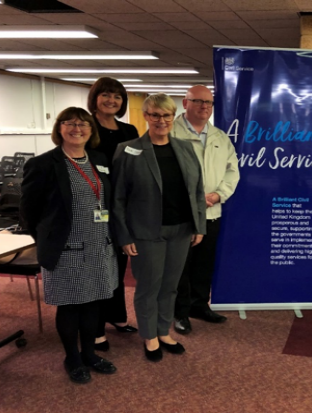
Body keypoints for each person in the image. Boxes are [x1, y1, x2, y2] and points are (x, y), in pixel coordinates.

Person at [21, 107, 118, 384]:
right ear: (59, 128)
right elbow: (28, 211)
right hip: (67, 249)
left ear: (91, 130)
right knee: (70, 305)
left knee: (93, 304)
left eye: (84, 124)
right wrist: (48, 240)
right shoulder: (43, 164)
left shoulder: (99, 159)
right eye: (70, 123)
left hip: (100, 245)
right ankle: (72, 357)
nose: (78, 128)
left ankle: (89, 354)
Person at [111, 93, 206, 362]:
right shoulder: (129, 149)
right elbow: (118, 197)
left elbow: (196, 190)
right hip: (146, 232)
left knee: (170, 286)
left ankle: (163, 331)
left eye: (166, 115)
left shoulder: (185, 148)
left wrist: (198, 225)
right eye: (155, 115)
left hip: (181, 229)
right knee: (148, 287)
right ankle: (149, 335)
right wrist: (123, 234)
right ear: (146, 116)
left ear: (172, 117)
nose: (161, 120)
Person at [172, 85, 240, 334]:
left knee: (204, 264)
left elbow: (233, 171)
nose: (204, 107)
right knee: (181, 267)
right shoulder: (169, 133)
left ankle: (199, 305)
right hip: (180, 215)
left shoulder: (220, 137)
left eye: (209, 103)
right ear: (185, 103)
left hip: (211, 211)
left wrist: (217, 195)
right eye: (198, 101)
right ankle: (179, 312)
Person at [88, 77, 140, 351]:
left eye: (117, 96)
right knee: (100, 266)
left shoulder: (129, 129)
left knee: (119, 264)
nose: (112, 100)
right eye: (106, 95)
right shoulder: (87, 127)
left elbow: (135, 165)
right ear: (95, 97)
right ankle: (96, 328)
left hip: (121, 206)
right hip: (96, 207)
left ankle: (117, 316)